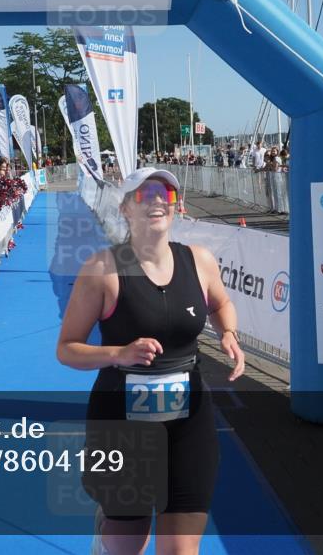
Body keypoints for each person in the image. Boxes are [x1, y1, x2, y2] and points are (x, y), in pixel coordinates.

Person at [57, 167, 245, 555]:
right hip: (122, 424)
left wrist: (228, 332)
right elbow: (68, 348)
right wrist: (119, 353)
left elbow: (222, 302)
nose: (158, 201)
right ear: (126, 208)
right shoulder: (101, 269)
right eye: (145, 195)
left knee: (180, 548)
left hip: (188, 418)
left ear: (178, 206)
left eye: (167, 194)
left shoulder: (200, 261)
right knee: (129, 542)